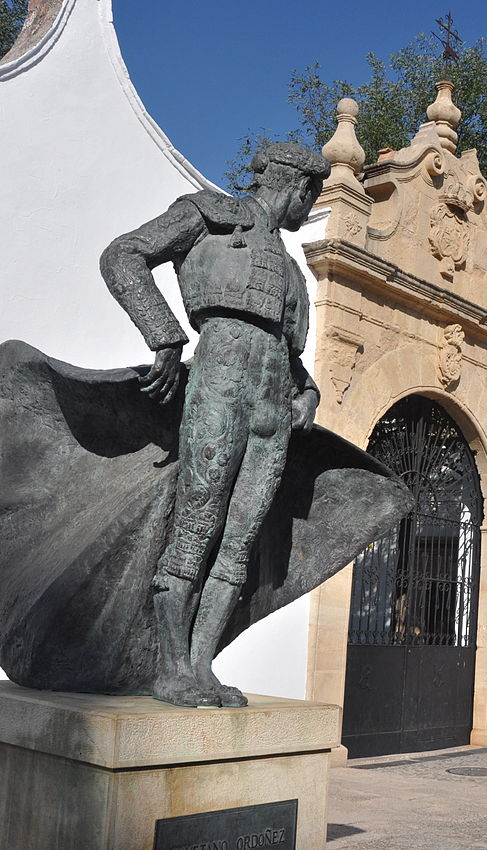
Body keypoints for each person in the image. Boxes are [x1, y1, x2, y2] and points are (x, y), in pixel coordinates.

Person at [99, 142, 330, 707]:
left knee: (239, 541)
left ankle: (201, 666)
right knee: (198, 524)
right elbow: (122, 255)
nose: (308, 208)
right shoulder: (206, 214)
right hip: (220, 380)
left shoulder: (294, 275)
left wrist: (309, 391)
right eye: (312, 196)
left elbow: (288, 351)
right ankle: (171, 667)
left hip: (273, 404)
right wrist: (163, 333)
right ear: (299, 188)